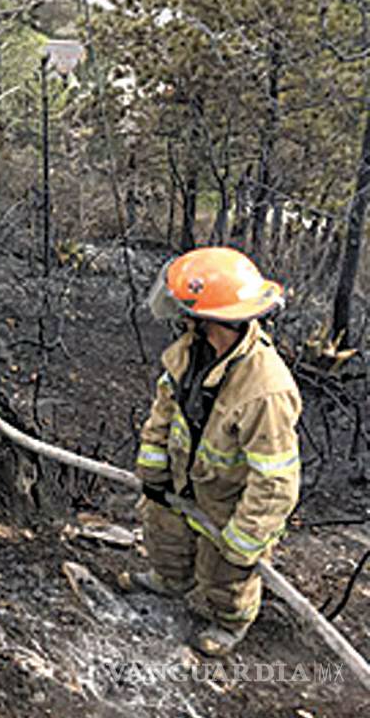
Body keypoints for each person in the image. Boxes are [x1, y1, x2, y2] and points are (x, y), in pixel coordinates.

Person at [124, 246, 301, 657]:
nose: (182, 319)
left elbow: (275, 480)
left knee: (225, 573)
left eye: (189, 312)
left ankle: (229, 622)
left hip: (229, 502)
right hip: (185, 480)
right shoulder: (191, 352)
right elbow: (164, 411)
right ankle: (171, 581)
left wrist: (245, 541)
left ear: (209, 319)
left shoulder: (266, 390)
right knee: (164, 532)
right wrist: (153, 472)